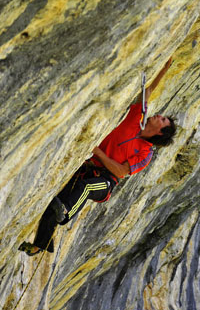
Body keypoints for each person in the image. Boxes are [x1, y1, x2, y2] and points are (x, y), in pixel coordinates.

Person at [19, 58, 176, 256]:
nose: (158, 115)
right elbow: (147, 92)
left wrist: (97, 152)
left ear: (160, 132)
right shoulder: (137, 119)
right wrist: (163, 68)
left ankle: (67, 213)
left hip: (106, 181)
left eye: (162, 120)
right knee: (55, 203)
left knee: (84, 189)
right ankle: (38, 246)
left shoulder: (145, 153)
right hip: (89, 167)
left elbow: (120, 171)